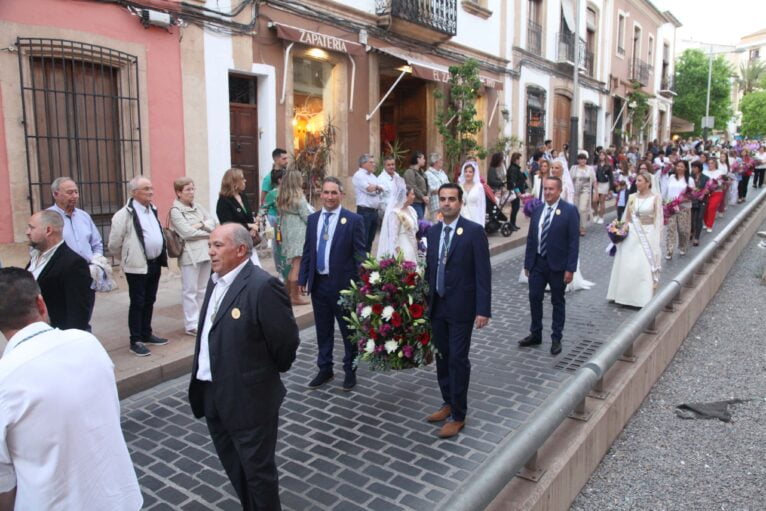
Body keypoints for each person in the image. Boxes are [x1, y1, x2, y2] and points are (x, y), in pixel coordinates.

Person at [0, 268, 143, 511]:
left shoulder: (5, 378)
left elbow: (4, 483)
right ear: (41, 304)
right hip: (120, 499)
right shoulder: (86, 342)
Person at [188, 224, 299, 511]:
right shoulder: (216, 280)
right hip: (213, 394)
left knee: (258, 474)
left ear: (240, 250)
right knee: (235, 468)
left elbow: (285, 342)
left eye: (217, 245)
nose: (210, 251)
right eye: (210, 245)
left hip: (250, 400)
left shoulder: (262, 286)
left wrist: (258, 377)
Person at [424, 183, 490, 438]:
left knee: (458, 360)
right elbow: (430, 269)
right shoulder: (432, 232)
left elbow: (483, 273)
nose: (447, 203)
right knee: (442, 357)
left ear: (460, 202)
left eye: (452, 199)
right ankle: (447, 401)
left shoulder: (473, 232)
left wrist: (483, 309)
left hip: (462, 307)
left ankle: (459, 414)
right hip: (437, 306)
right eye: (443, 199)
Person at [299, 177, 366, 391]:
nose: (329, 197)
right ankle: (325, 368)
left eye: (334, 193)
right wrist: (303, 278)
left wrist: (362, 284)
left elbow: (360, 254)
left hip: (344, 286)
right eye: (326, 193)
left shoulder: (353, 220)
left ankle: (350, 370)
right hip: (319, 284)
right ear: (321, 195)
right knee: (323, 329)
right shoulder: (313, 219)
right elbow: (308, 250)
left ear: (341, 195)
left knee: (348, 331)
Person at [108, 176, 169, 357]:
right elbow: (114, 244)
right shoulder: (123, 214)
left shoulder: (153, 210)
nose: (150, 192)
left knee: (150, 299)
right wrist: (127, 258)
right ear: (134, 192)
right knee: (137, 302)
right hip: (136, 266)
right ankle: (136, 340)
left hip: (154, 262)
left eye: (151, 188)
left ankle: (146, 333)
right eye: (145, 189)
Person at [519, 177, 580, 356]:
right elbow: (531, 238)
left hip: (558, 265)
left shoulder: (569, 211)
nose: (547, 192)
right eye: (545, 189)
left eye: (551, 189)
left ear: (559, 191)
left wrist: (570, 268)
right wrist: (528, 263)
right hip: (538, 263)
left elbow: (573, 242)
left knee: (557, 301)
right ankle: (535, 333)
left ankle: (556, 337)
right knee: (534, 297)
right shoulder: (537, 210)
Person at [47, 176, 103, 326]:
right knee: (63, 319)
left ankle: (83, 340)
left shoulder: (84, 216)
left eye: (76, 192)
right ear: (55, 194)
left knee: (84, 315)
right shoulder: (47, 218)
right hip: (60, 277)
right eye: (69, 192)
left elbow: (97, 243)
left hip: (85, 274)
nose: (75, 196)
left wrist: (96, 263)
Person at [24, 210, 91, 331]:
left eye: (31, 228)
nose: (27, 232)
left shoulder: (73, 263)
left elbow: (78, 313)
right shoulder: (35, 256)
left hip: (56, 335)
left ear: (48, 230)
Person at [606, 172, 664, 308]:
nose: (636, 183)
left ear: (648, 183)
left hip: (647, 233)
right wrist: (619, 230)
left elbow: (658, 220)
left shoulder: (655, 198)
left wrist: (657, 237)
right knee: (628, 264)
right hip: (632, 233)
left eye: (639, 181)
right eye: (636, 181)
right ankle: (624, 295)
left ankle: (641, 297)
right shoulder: (632, 197)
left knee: (642, 265)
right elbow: (627, 218)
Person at [169, 177, 217, 336]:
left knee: (203, 289)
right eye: (188, 190)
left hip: (205, 252)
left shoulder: (198, 207)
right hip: (190, 255)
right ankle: (191, 324)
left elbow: (213, 222)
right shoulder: (175, 211)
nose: (191, 192)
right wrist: (204, 230)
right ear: (178, 192)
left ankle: (202, 318)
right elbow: (186, 233)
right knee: (190, 290)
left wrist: (201, 225)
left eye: (193, 188)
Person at [550, 162, 593, 292]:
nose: (553, 170)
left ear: (562, 170)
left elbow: (569, 202)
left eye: (556, 168)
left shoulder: (566, 184)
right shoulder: (549, 181)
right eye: (552, 167)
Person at [276, 170, 311, 306]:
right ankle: (295, 297)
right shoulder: (298, 196)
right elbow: (306, 216)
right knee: (297, 265)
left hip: (288, 230)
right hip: (298, 231)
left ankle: (289, 293)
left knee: (293, 264)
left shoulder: (282, 196)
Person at [216, 168, 261, 267]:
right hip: (235, 243)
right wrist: (249, 225)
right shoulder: (224, 201)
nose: (245, 181)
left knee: (256, 269)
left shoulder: (243, 196)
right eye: (242, 179)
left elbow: (248, 217)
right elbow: (227, 224)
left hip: (248, 241)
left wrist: (254, 227)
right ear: (234, 182)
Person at [377, 183, 418, 262]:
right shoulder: (395, 213)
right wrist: (400, 257)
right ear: (405, 196)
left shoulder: (412, 210)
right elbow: (393, 238)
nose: (414, 197)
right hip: (403, 250)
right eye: (412, 194)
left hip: (413, 248)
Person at [352, 153, 383, 255]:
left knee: (370, 240)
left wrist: (376, 187)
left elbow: (380, 189)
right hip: (364, 212)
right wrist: (376, 187)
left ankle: (367, 264)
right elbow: (369, 189)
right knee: (363, 240)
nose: (374, 164)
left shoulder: (373, 176)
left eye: (374, 162)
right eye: (371, 162)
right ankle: (360, 265)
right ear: (363, 163)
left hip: (374, 212)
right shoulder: (358, 175)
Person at [663, 160, 694, 259]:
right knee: (670, 229)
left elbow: (692, 194)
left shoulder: (689, 180)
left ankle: (682, 246)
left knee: (683, 229)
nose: (679, 168)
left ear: (685, 168)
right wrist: (664, 203)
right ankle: (669, 250)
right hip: (671, 207)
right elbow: (666, 191)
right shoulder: (671, 177)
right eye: (678, 166)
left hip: (683, 207)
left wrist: (683, 200)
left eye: (682, 166)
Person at [260, 169, 286, 277]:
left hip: (289, 224)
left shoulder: (292, 192)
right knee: (279, 246)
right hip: (278, 224)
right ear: (280, 180)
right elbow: (263, 208)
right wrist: (263, 221)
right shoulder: (272, 193)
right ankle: (281, 270)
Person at [571, 152, 597, 236]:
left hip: (586, 191)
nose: (582, 160)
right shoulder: (573, 168)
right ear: (578, 160)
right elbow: (569, 180)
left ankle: (583, 227)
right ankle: (575, 226)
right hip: (575, 191)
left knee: (582, 209)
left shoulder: (590, 169)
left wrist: (595, 192)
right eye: (581, 159)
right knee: (575, 209)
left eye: (584, 159)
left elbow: (594, 181)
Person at [458, 161, 486, 227]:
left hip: (475, 217)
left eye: (470, 172)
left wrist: (482, 223)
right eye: (466, 171)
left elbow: (482, 205)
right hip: (462, 216)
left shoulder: (479, 187)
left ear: (474, 174)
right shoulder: (460, 186)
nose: (467, 174)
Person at [425, 153, 450, 221]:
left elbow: (448, 184)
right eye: (441, 160)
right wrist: (443, 190)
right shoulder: (428, 174)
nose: (442, 162)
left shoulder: (442, 173)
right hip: (435, 205)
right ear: (435, 162)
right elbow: (430, 189)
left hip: (445, 204)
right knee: (436, 225)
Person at [703, 157, 725, 233]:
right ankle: (706, 223)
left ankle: (709, 225)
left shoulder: (720, 172)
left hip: (717, 192)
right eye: (709, 163)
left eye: (712, 163)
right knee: (705, 209)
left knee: (711, 208)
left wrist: (718, 183)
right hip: (706, 193)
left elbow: (722, 182)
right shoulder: (704, 172)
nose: (710, 164)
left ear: (715, 163)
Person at [404, 151, 428, 219]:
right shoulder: (409, 172)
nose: (424, 160)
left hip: (422, 202)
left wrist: (426, 196)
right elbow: (412, 186)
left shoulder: (422, 172)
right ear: (418, 159)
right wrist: (422, 196)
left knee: (422, 222)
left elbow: (426, 185)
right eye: (423, 158)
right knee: (419, 222)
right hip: (415, 202)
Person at [689, 161, 708, 247]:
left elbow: (709, 188)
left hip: (702, 200)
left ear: (699, 168)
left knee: (699, 218)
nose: (693, 169)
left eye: (695, 167)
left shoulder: (705, 178)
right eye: (692, 167)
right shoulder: (689, 177)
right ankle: (691, 231)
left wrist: (704, 191)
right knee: (692, 218)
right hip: (692, 200)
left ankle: (697, 237)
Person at [506, 152, 526, 231]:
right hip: (514, 192)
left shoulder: (516, 168)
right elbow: (513, 182)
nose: (519, 161)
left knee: (516, 208)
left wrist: (528, 171)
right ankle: (511, 225)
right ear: (515, 160)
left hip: (516, 191)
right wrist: (517, 192)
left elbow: (522, 178)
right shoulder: (513, 169)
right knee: (515, 208)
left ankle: (513, 224)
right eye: (519, 159)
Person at [594, 151, 614, 224]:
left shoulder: (608, 165)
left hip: (605, 184)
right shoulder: (597, 165)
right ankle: (596, 214)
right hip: (598, 183)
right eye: (600, 155)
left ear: (605, 156)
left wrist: (611, 188)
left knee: (602, 200)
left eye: (603, 155)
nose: (601, 157)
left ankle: (601, 216)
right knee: (595, 201)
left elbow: (611, 177)